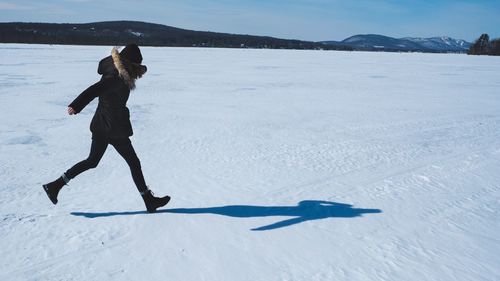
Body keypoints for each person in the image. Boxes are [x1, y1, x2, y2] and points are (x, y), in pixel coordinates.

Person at [42, 44, 170, 213]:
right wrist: (76, 105)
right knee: (133, 162)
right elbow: (94, 90)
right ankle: (149, 201)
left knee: (92, 161)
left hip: (103, 124)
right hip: (113, 127)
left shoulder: (115, 70)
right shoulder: (116, 76)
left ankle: (55, 185)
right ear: (129, 63)